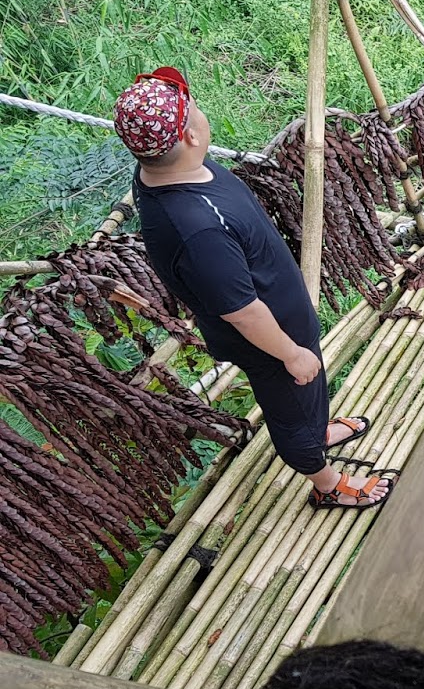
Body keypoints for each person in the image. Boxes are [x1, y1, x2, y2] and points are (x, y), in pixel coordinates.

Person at [114, 67, 394, 509]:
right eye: (195, 110)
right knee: (290, 411)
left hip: (280, 317)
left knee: (306, 393)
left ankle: (318, 427)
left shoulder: (169, 169)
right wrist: (289, 353)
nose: (201, 114)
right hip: (267, 338)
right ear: (188, 136)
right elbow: (242, 312)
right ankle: (325, 482)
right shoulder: (198, 231)